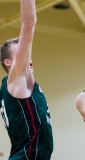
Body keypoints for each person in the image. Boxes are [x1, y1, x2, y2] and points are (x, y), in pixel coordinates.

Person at [0, 0, 53, 159]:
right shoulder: (15, 80)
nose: (27, 54)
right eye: (21, 51)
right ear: (8, 63)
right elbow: (29, 22)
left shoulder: (15, 88)